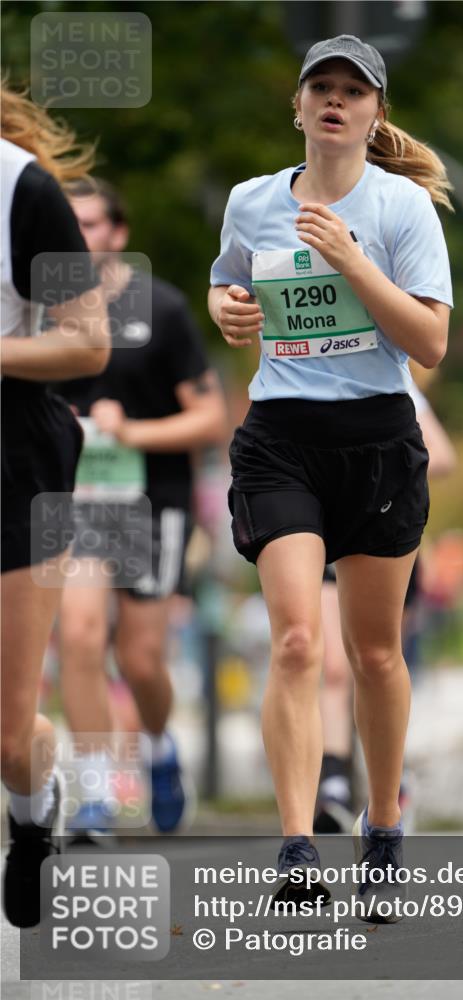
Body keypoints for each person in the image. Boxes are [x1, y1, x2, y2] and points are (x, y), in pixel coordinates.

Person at [208, 35, 453, 921]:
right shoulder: (249, 201)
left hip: (377, 441)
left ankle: (383, 828)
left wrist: (352, 260)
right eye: (323, 87)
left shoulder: (402, 209)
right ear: (299, 106)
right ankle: (297, 844)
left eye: (355, 90)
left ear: (376, 113)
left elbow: (427, 344)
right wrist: (230, 310)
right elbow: (227, 284)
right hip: (280, 437)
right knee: (296, 643)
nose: (337, 101)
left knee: (375, 652)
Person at [55, 177, 226, 836]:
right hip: (78, 501)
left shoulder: (161, 308)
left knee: (141, 658)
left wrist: (132, 432)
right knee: (78, 635)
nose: (79, 237)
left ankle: (157, 748)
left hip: (152, 497)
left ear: (118, 233)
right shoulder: (39, 309)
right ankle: (94, 794)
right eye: (67, 224)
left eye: (92, 224)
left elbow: (210, 418)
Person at [1, 85, 110, 927]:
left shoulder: (24, 190)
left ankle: (34, 812)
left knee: (8, 737)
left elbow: (87, 339)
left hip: (15, 457)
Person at [314, 377, 457, 834]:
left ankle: (391, 782)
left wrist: (383, 468)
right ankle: (333, 782)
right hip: (325, 537)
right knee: (333, 668)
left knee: (376, 663)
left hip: (384, 530)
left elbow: (444, 455)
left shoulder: (393, 380)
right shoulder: (302, 372)